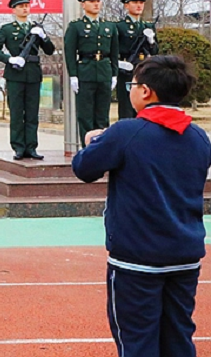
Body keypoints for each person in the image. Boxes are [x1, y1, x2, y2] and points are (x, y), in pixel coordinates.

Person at [72, 55, 211, 357]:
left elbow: (83, 168)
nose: (130, 91)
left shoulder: (125, 132)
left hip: (137, 260)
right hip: (185, 256)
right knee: (178, 339)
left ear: (146, 91)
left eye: (132, 85)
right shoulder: (199, 136)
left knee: (137, 343)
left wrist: (93, 141)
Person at [0, 0, 56, 160]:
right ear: (14, 10)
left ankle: (31, 147)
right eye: (21, 6)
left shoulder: (36, 28)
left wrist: (43, 36)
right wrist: (10, 59)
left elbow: (50, 50)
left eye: (27, 5)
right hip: (15, 75)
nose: (25, 8)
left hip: (33, 73)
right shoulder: (7, 29)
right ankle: (19, 147)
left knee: (32, 113)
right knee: (17, 113)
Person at [64, 0, 119, 146]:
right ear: (83, 4)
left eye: (98, 1)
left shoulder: (109, 26)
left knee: (102, 114)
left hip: (104, 71)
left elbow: (114, 52)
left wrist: (114, 73)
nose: (96, 4)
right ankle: (87, 146)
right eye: (91, 1)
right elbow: (69, 52)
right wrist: (73, 74)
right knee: (86, 114)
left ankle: (103, 147)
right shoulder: (76, 26)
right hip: (85, 71)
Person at [116, 0, 158, 119]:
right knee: (127, 109)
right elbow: (113, 49)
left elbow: (155, 51)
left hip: (144, 70)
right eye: (135, 2)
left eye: (141, 2)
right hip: (126, 71)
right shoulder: (120, 26)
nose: (139, 5)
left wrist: (151, 40)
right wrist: (119, 63)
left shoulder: (148, 26)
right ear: (126, 5)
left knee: (145, 108)